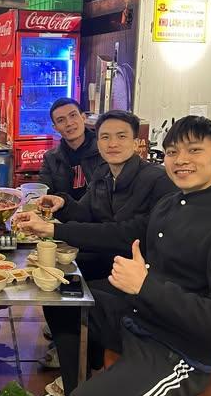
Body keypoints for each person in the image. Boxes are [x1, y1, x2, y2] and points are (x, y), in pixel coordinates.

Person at [42, 116, 211, 396]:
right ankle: (83, 392)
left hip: (179, 350)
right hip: (140, 317)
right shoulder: (172, 202)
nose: (181, 160)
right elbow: (122, 234)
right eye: (172, 152)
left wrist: (145, 286)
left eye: (194, 150)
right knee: (64, 301)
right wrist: (55, 228)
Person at [16, 110, 176, 281]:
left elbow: (128, 235)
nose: (112, 144)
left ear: (136, 143)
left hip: (138, 275)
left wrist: (53, 229)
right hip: (103, 262)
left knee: (58, 286)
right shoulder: (103, 173)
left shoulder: (158, 179)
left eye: (121, 136)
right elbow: (85, 213)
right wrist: (62, 203)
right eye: (105, 137)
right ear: (98, 144)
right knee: (38, 274)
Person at [40, 98, 102, 200]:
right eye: (61, 120)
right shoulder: (50, 158)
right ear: (55, 128)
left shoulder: (103, 149)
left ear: (83, 117)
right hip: (63, 209)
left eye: (73, 115)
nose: (69, 123)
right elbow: (45, 194)